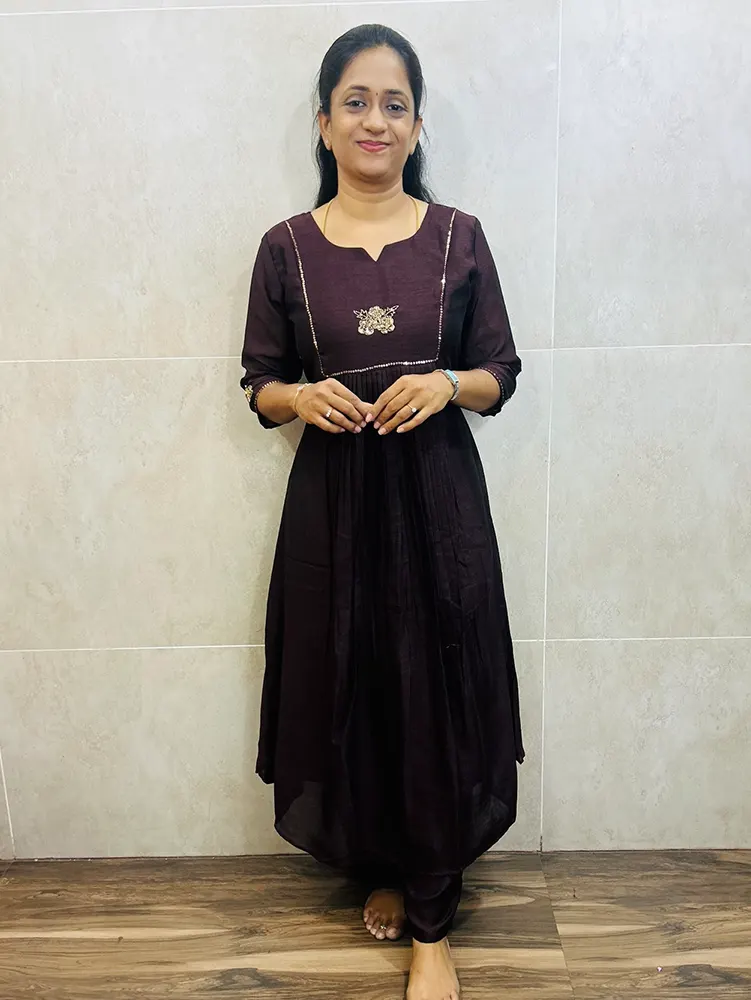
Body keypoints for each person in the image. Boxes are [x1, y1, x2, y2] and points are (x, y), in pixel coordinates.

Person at [240, 23, 524, 1000]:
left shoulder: (458, 238)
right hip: (334, 513)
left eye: (393, 104)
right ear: (323, 123)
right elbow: (259, 382)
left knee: (434, 691)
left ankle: (433, 924)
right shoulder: (285, 248)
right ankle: (389, 867)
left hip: (436, 507)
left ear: (416, 125)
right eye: (354, 101)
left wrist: (446, 384)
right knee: (352, 687)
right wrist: (298, 397)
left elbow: (500, 372)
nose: (375, 120)